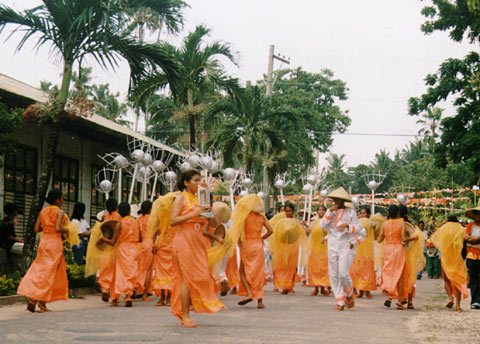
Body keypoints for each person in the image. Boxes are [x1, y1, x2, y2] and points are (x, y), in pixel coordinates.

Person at [169, 169, 225, 328]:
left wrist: (211, 212)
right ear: (186, 182)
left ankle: (192, 306)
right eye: (195, 180)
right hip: (185, 238)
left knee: (201, 276)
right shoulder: (180, 198)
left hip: (199, 240)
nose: (198, 183)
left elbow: (213, 225)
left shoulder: (201, 199)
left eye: (200, 180)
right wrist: (193, 213)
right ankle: (185, 315)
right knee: (186, 278)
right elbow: (172, 221)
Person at [17, 189, 69, 312]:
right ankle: (37, 300)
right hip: (54, 243)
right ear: (57, 200)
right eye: (62, 198)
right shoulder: (60, 212)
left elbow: (36, 229)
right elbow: (58, 228)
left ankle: (40, 301)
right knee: (50, 272)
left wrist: (46, 227)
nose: (63, 201)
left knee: (40, 269)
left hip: (44, 241)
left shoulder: (43, 212)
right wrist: (67, 230)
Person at [320, 187, 364, 311]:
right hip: (332, 245)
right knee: (333, 274)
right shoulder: (330, 212)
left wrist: (348, 226)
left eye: (338, 200)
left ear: (343, 200)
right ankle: (340, 301)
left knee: (343, 273)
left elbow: (359, 229)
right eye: (334, 199)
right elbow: (322, 226)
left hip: (345, 244)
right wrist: (329, 212)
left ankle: (349, 293)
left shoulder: (351, 213)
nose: (335, 201)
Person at [233, 195, 273, 308]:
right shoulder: (261, 217)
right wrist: (262, 238)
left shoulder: (244, 217)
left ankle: (249, 294)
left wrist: (239, 243)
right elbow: (271, 230)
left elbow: (238, 232)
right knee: (258, 273)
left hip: (247, 245)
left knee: (243, 272)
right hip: (258, 245)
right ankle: (260, 301)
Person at [99, 202, 141, 307]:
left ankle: (115, 298)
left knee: (120, 273)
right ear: (129, 211)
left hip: (123, 249)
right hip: (134, 249)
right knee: (131, 272)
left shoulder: (119, 224)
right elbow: (140, 238)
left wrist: (102, 239)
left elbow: (113, 242)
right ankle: (128, 295)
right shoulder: (136, 222)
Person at [377, 205, 417, 310]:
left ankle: (390, 294)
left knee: (389, 271)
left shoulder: (384, 224)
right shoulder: (401, 224)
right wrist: (412, 238)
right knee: (399, 274)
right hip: (398, 248)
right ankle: (399, 301)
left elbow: (380, 240)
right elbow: (404, 238)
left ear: (388, 213)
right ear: (398, 213)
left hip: (388, 249)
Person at [431, 215, 468, 312]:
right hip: (457, 257)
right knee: (457, 280)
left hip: (446, 257)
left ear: (447, 220)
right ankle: (458, 305)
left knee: (446, 279)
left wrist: (443, 224)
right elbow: (466, 240)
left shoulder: (444, 228)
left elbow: (433, 237)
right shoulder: (461, 229)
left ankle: (450, 298)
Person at [271, 203, 306, 294]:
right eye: (286, 211)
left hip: (293, 246)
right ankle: (281, 285)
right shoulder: (280, 222)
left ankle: (289, 286)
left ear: (293, 212)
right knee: (280, 266)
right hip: (281, 246)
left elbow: (302, 232)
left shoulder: (295, 221)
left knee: (292, 267)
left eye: (289, 211)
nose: (287, 212)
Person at [399, 205, 425, 310]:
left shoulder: (399, 224)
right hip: (410, 254)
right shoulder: (411, 225)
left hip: (400, 253)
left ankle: (400, 299)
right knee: (411, 277)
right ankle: (409, 301)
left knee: (401, 277)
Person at [97, 198, 122, 302]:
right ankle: (114, 296)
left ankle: (104, 288)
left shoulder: (104, 217)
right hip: (115, 246)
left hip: (105, 246)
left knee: (104, 269)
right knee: (114, 272)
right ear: (116, 206)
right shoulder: (119, 217)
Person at [350, 207, 376, 299]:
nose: (362, 215)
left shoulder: (371, 223)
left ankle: (367, 290)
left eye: (364, 213)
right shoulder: (357, 223)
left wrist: (374, 227)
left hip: (368, 248)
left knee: (368, 269)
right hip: (359, 247)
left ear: (368, 214)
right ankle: (360, 289)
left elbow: (375, 236)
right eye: (360, 213)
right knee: (358, 268)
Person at [307, 205, 330, 296]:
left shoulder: (328, 222)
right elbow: (308, 233)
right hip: (314, 247)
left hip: (325, 247)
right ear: (317, 212)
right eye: (319, 210)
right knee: (315, 267)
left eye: (323, 210)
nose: (321, 211)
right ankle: (316, 288)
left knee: (323, 268)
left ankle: (323, 287)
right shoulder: (313, 222)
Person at [135, 200, 153, 300]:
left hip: (139, 244)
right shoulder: (152, 219)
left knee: (139, 268)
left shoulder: (138, 219)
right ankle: (145, 293)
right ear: (150, 209)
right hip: (148, 243)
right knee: (148, 270)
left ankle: (137, 288)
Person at [464, 206, 480, 309]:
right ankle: (475, 301)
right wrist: (472, 239)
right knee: (473, 279)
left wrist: (476, 238)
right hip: (471, 256)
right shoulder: (470, 226)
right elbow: (465, 237)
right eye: (476, 213)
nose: (478, 216)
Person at [0, 203, 24, 273]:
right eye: (16, 210)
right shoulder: (8, 223)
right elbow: (9, 236)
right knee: (26, 249)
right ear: (13, 211)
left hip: (8, 244)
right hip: (8, 245)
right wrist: (21, 241)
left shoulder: (7, 221)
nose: (17, 211)